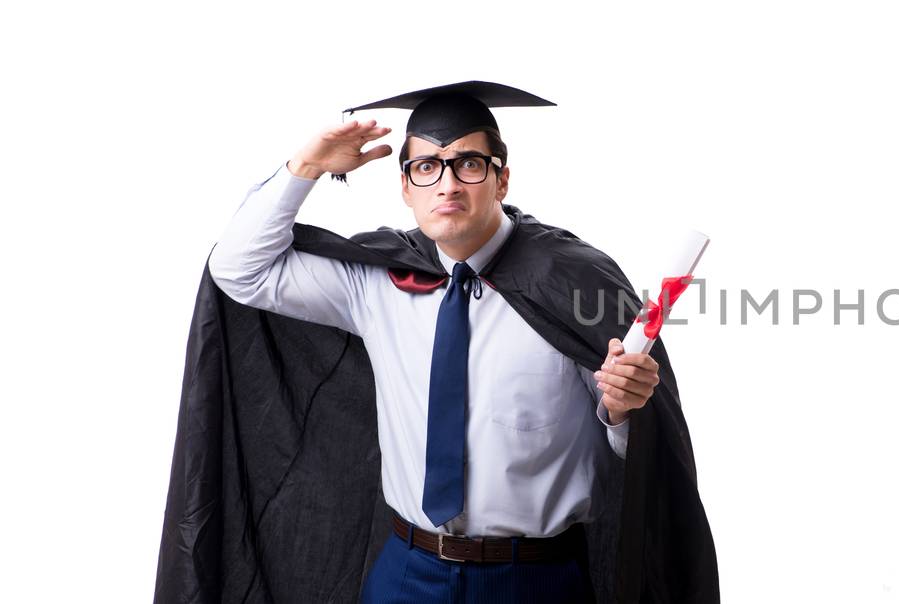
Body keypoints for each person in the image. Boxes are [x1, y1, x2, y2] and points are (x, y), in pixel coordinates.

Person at [155, 81, 718, 603]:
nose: (447, 184)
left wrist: (622, 411)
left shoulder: (572, 285)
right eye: (426, 167)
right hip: (407, 571)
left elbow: (627, 452)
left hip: (534, 579)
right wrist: (304, 168)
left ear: (502, 178)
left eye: (469, 164)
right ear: (405, 186)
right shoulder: (375, 281)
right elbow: (238, 271)